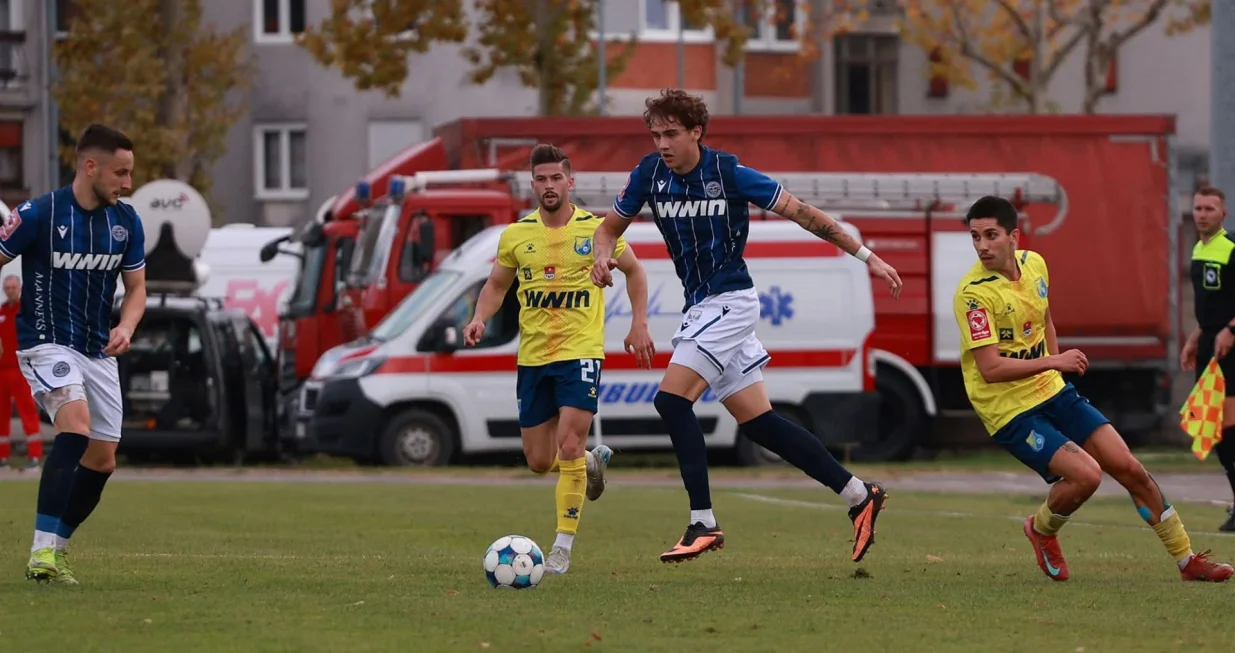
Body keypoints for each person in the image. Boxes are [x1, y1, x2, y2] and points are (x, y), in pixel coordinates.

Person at [589, 89, 902, 565]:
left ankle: (703, 522)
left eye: (671, 133)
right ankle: (860, 495)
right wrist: (600, 257)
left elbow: (803, 214)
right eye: (655, 135)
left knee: (671, 402)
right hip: (702, 306)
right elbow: (607, 228)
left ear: (696, 132)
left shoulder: (728, 173)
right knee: (760, 424)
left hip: (730, 302)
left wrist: (866, 256)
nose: (662, 144)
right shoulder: (649, 174)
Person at [954, 195, 1232, 582]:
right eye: (975, 237)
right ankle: (1041, 529)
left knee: (1129, 467)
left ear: (1013, 236)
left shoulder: (1034, 264)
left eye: (991, 235)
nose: (982, 245)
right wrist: (1054, 362)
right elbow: (991, 369)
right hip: (1008, 408)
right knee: (1086, 476)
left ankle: (1188, 561)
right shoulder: (973, 294)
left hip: (1050, 389)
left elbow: (1044, 319)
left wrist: (1055, 373)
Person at [463, 143, 654, 575]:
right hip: (533, 357)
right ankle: (590, 462)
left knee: (568, 443)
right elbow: (497, 285)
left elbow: (635, 271)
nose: (549, 186)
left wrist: (638, 323)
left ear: (570, 182)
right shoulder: (516, 235)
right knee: (538, 460)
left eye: (556, 178)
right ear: (532, 184)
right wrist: (478, 318)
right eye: (541, 179)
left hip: (580, 352)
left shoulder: (597, 230)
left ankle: (561, 549)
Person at [0, 124, 147, 585]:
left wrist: (126, 326)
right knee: (76, 425)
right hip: (45, 343)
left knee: (103, 460)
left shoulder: (126, 223)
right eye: (120, 173)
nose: (128, 183)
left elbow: (137, 289)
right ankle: (41, 552)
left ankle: (57, 551)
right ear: (90, 166)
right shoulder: (38, 214)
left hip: (98, 350)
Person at [1180, 185, 1235, 532]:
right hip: (1208, 345)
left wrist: (1230, 329)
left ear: (1223, 214)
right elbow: (1211, 306)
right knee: (1212, 428)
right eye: (1198, 208)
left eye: (1209, 209)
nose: (1202, 214)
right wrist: (1195, 336)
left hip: (1230, 347)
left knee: (1226, 427)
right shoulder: (1199, 249)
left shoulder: (1231, 247)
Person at [0, 275, 44, 470]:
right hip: (2, 370)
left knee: (27, 412)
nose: (10, 290)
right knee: (1, 415)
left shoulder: (26, 310)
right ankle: (2, 457)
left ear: (19, 288)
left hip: (21, 370)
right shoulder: (2, 311)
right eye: (7, 287)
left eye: (13, 287)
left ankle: (34, 456)